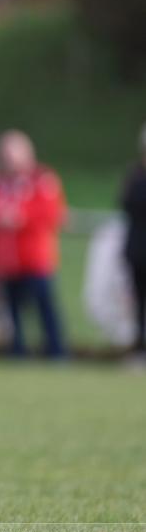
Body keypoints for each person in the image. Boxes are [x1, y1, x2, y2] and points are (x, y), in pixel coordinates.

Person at [0, 130, 66, 358]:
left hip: (35, 260)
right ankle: (17, 351)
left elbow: (52, 213)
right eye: (6, 153)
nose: (10, 159)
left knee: (44, 308)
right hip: (6, 262)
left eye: (14, 153)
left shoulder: (42, 180)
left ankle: (56, 351)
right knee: (11, 311)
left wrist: (19, 217)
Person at [120, 122, 146, 357]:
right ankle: (140, 349)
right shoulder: (135, 176)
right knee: (139, 305)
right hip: (138, 251)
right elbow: (127, 204)